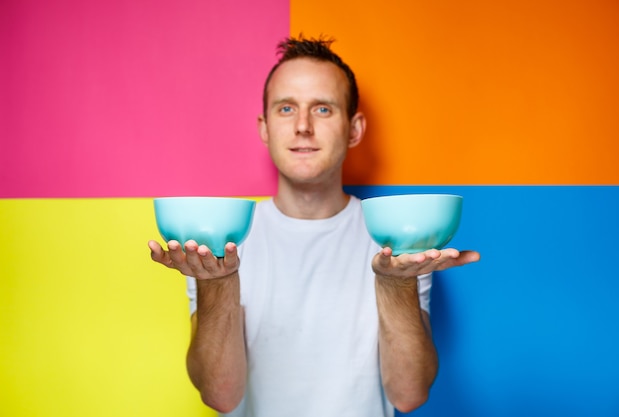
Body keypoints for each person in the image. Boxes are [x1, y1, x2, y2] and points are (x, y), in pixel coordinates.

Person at [148, 36, 480, 417]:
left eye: (322, 109)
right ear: (265, 127)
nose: (303, 126)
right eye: (286, 108)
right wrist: (218, 283)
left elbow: (409, 394)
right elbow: (221, 396)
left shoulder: (398, 236)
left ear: (354, 129)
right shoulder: (219, 239)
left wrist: (395, 284)